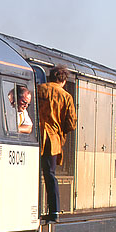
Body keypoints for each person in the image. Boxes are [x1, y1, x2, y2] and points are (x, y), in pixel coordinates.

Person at [35, 64, 77, 222]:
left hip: (35, 138)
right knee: (50, 175)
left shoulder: (38, 89)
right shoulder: (66, 96)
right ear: (64, 80)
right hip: (52, 141)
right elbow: (71, 123)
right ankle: (54, 212)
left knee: (32, 175)